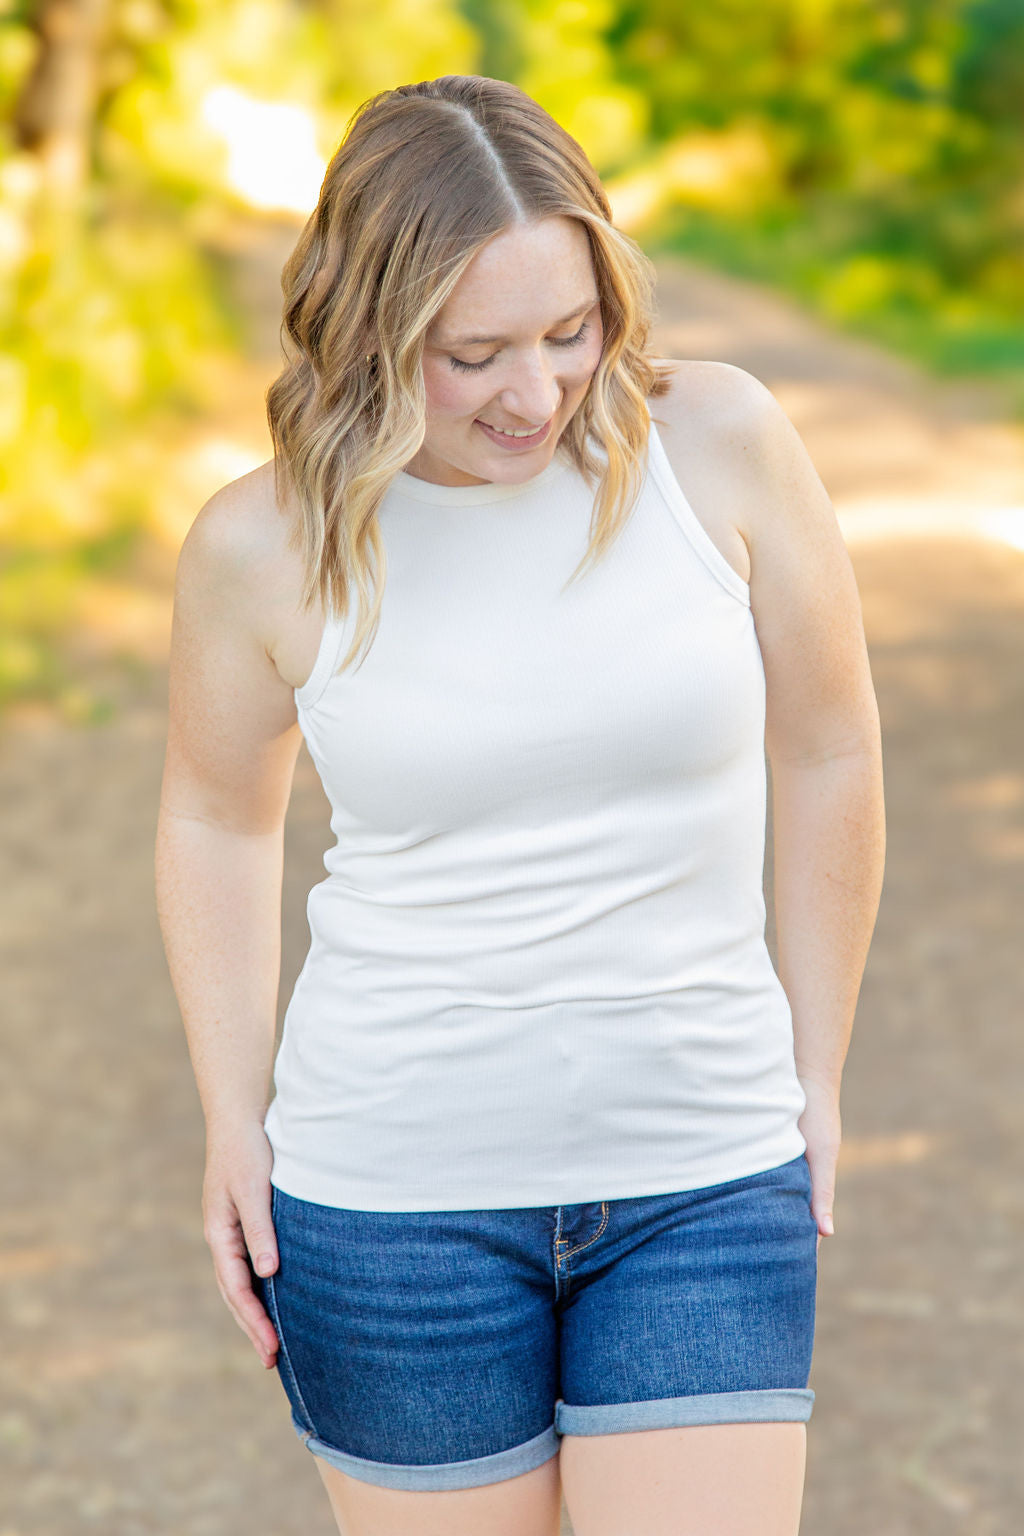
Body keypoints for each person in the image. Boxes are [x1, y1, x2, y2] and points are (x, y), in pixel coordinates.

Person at [154, 73, 885, 1536]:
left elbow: (832, 749)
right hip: (391, 1206)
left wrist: (816, 1064)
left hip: (702, 1172)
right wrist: (235, 1121)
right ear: (367, 327)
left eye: (572, 331)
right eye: (471, 353)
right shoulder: (264, 545)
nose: (536, 393)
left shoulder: (723, 446)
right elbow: (216, 821)